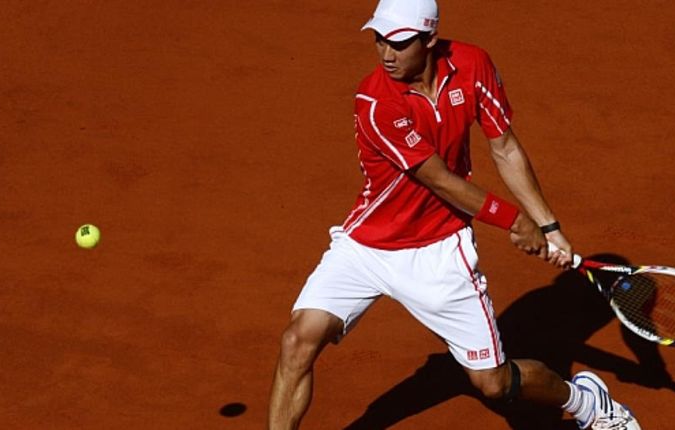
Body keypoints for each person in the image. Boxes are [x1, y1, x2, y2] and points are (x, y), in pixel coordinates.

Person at [268, 1, 642, 429]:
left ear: (430, 39)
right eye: (380, 40)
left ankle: (587, 404)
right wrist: (516, 221)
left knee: (494, 384)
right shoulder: (376, 101)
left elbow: (504, 147)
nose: (386, 53)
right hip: (367, 247)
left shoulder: (473, 65)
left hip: (440, 253)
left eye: (399, 43)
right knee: (297, 340)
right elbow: (440, 180)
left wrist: (548, 225)